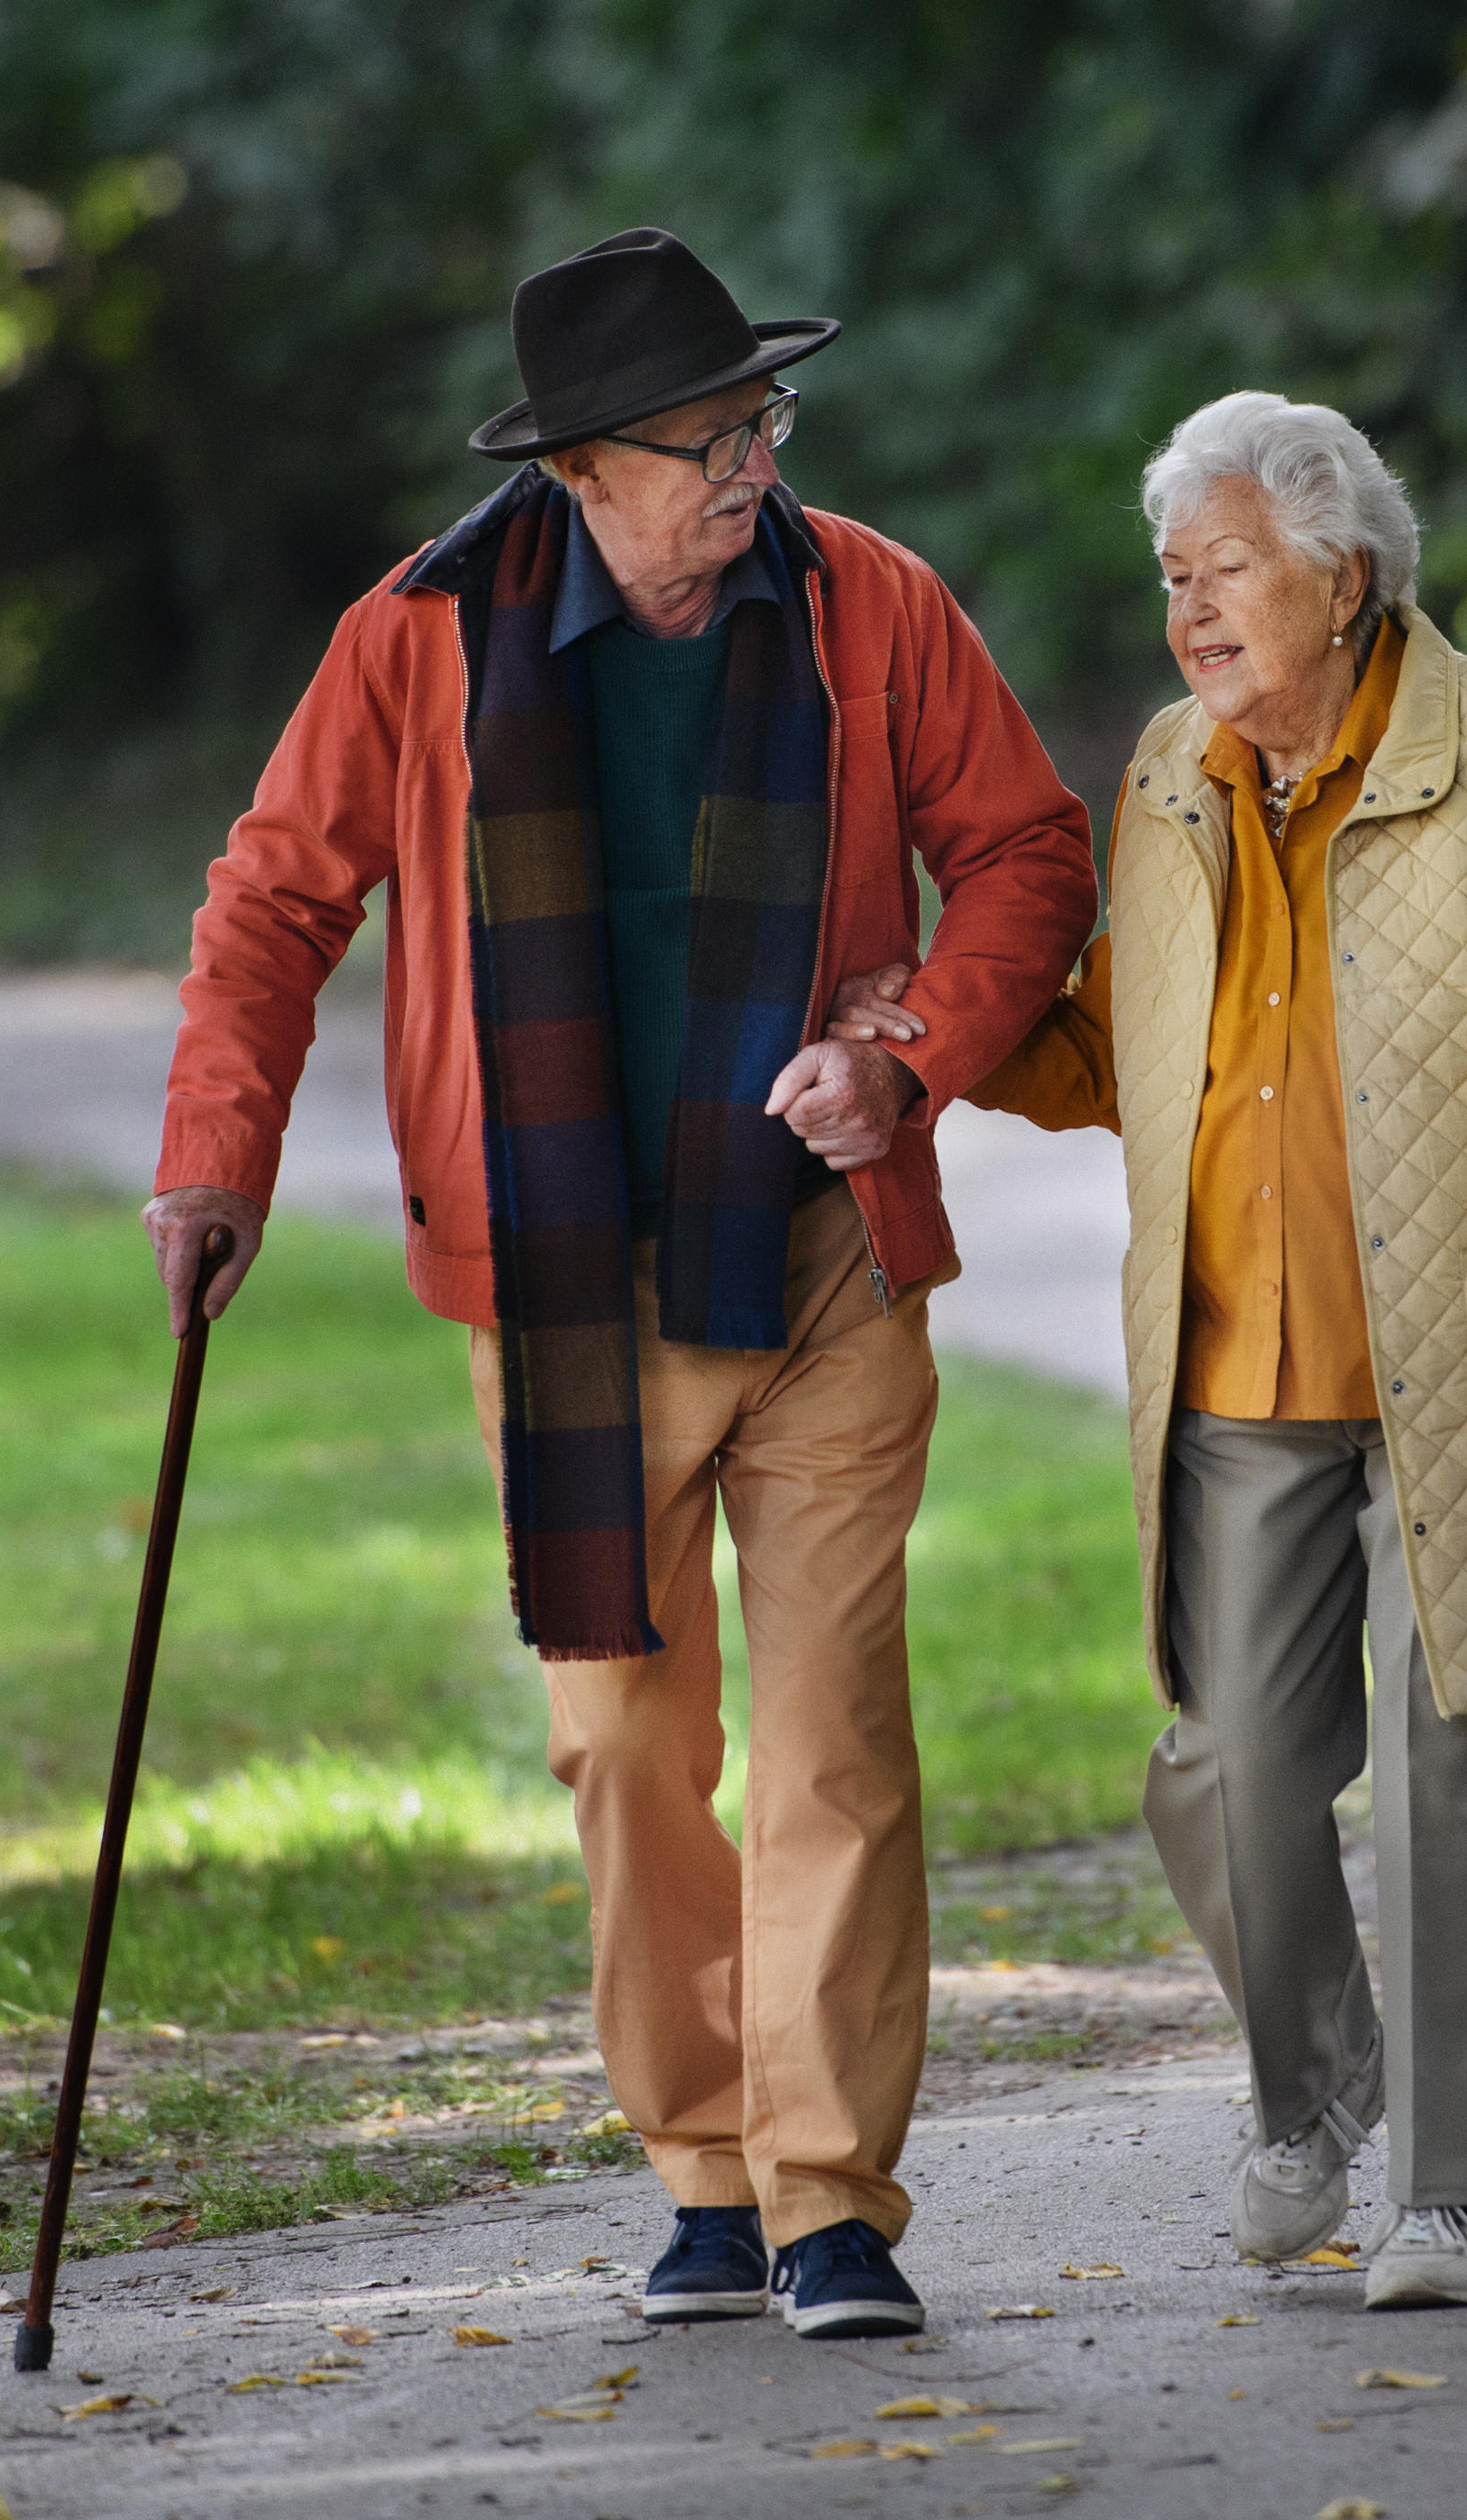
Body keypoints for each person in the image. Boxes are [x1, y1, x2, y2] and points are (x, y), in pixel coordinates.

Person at [148, 229, 1095, 2340]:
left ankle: (830, 2189)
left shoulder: (869, 601)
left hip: (823, 1254)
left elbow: (1030, 848)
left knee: (839, 1726)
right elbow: (274, 900)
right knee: (625, 1750)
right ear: (581, 467)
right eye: (707, 439)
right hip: (567, 1285)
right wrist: (215, 1158)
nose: (754, 462)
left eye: (765, 418)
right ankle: (701, 2163)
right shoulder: (415, 639)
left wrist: (912, 1046)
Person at [828, 390, 1467, 2311]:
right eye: (1172, 579)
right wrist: (931, 1035)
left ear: (1344, 575)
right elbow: (1109, 1054)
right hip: (1238, 1365)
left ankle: (1450, 2191)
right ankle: (1319, 2092)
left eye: (1223, 572)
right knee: (1222, 1766)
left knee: (1457, 1749)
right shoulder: (1169, 777)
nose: (1189, 616)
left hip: (1463, 1358)